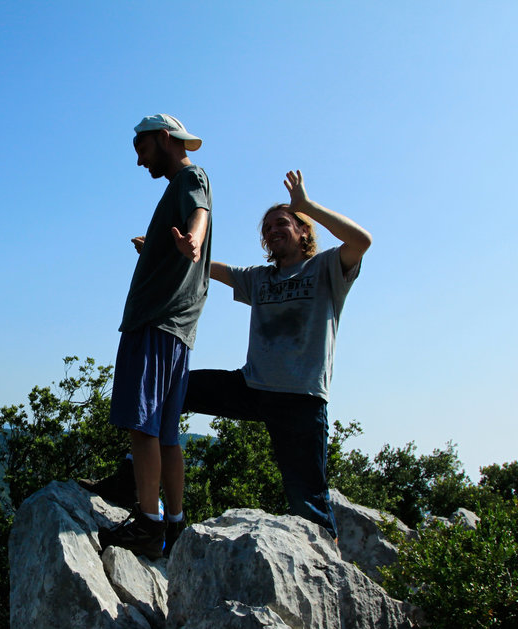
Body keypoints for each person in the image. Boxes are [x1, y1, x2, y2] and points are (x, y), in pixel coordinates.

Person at [85, 170, 372, 544]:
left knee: (309, 502)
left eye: (281, 223)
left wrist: (307, 206)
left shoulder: (327, 269)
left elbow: (361, 241)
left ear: (304, 231)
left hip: (300, 400)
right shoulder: (261, 278)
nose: (271, 231)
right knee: (171, 392)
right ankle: (134, 483)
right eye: (266, 228)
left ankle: (328, 568)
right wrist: (167, 249)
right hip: (251, 386)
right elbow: (211, 268)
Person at [92, 114, 213, 560]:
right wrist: (160, 248)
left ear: (164, 139)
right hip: (178, 328)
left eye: (142, 149)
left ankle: (146, 522)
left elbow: (198, 210)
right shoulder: (177, 187)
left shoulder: (189, 176)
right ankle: (174, 524)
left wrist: (193, 242)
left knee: (141, 425)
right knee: (165, 434)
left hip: (155, 321)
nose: (140, 162)